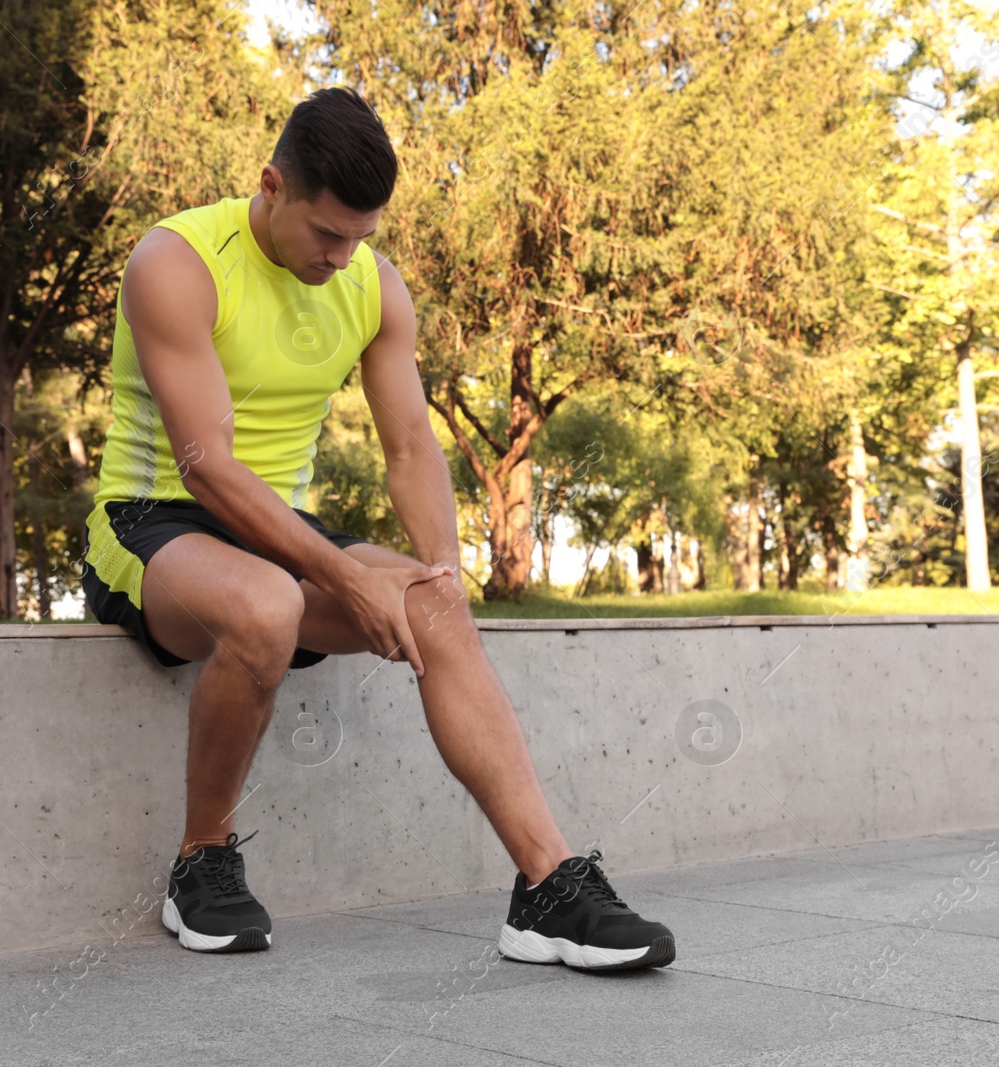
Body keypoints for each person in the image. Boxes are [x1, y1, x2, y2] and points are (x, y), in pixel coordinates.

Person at [80, 87, 674, 972]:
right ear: (273, 186)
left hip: (278, 529)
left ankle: (548, 888)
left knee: (431, 602)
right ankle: (200, 859)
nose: (343, 255)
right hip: (150, 524)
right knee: (268, 603)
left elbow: (407, 447)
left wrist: (442, 572)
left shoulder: (371, 283)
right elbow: (205, 463)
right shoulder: (178, 261)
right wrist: (347, 577)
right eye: (328, 233)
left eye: (361, 236)